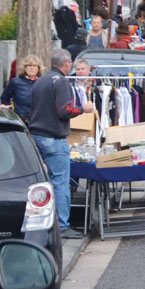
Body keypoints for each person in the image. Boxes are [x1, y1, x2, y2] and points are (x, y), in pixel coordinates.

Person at [27, 51, 88, 240]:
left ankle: (41, 223)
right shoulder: (61, 82)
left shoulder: (41, 81)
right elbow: (65, 110)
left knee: (41, 183)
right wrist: (83, 109)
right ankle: (62, 225)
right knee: (60, 183)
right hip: (54, 137)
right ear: (67, 63)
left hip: (37, 135)